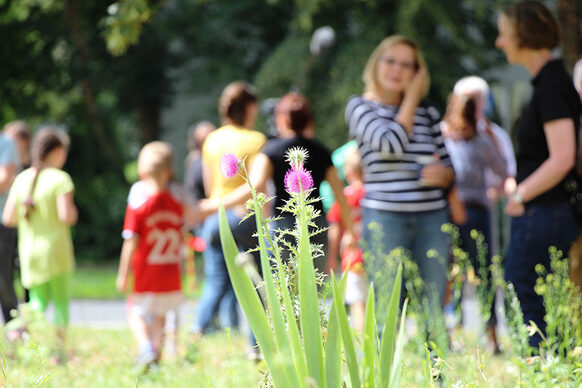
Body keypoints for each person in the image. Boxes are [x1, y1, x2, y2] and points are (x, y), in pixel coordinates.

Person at [345, 35, 455, 316]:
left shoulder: (427, 113)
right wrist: (412, 98)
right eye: (390, 60)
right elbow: (390, 144)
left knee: (433, 306)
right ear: (376, 63)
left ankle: (435, 360)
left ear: (417, 72)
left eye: (407, 65)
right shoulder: (360, 107)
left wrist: (443, 174)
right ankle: (386, 360)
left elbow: (449, 167)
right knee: (386, 305)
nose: (397, 69)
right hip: (385, 216)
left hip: (431, 217)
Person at [495, 1, 582, 349]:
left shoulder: (550, 84)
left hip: (544, 213)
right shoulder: (551, 81)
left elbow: (563, 158)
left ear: (522, 35)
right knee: (544, 300)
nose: (500, 43)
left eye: (503, 34)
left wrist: (520, 194)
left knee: (526, 296)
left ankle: (543, 374)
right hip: (548, 211)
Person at [200, 92, 355, 274]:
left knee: (286, 291)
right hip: (315, 224)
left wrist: (215, 205)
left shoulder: (270, 150)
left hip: (283, 226)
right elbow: (340, 195)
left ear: (281, 119)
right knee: (315, 288)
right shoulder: (321, 151)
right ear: (309, 120)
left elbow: (255, 186)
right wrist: (351, 231)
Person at [193, 81, 266, 339]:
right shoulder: (257, 140)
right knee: (257, 282)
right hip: (247, 218)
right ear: (248, 108)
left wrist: (216, 205)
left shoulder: (211, 140)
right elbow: (258, 186)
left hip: (216, 219)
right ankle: (256, 344)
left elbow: (210, 186)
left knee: (215, 282)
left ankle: (196, 335)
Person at [2, 127, 77, 362]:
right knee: (61, 303)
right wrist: (73, 211)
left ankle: (14, 330)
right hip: (56, 253)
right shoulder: (60, 179)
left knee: (36, 303)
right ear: (56, 152)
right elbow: (66, 216)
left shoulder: (22, 179)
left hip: (29, 254)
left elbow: (8, 219)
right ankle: (59, 352)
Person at [441, 93, 507, 353]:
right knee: (451, 274)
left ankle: (492, 337)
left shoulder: (480, 140)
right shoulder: (443, 138)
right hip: (448, 210)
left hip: (476, 211)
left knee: (483, 272)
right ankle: (453, 334)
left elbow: (502, 170)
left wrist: (493, 192)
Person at [116, 141, 187, 371]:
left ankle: (146, 347)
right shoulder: (177, 206)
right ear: (168, 172)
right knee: (161, 315)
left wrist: (123, 273)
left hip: (148, 275)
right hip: (171, 276)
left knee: (134, 312)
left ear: (142, 172)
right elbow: (183, 238)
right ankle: (156, 356)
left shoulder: (139, 208)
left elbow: (130, 242)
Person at [452, 76, 517, 256]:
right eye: (466, 99)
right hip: (450, 208)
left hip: (480, 208)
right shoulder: (445, 133)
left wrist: (497, 194)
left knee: (482, 266)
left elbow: (507, 173)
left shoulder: (492, 136)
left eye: (475, 99)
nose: (470, 105)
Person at [326, 147, 367, 334]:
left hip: (352, 259)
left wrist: (331, 259)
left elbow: (334, 232)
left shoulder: (344, 198)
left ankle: (362, 348)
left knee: (358, 306)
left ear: (347, 172)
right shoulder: (374, 195)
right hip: (373, 257)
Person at [0, 123, 19, 330]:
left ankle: (14, 329)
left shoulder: (5, 143)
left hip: (2, 222)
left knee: (3, 279)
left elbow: (4, 181)